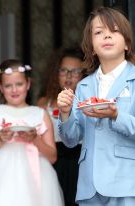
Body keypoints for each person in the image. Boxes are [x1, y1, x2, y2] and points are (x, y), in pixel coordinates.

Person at [57, 7, 135, 206]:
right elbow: (70, 140)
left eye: (114, 31)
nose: (106, 36)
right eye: (98, 32)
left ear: (127, 44)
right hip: (89, 187)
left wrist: (116, 115)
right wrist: (65, 113)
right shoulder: (84, 86)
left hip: (128, 184)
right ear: (92, 47)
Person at [0, 59, 64, 206]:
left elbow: (52, 157)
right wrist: (0, 140)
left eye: (19, 84)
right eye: (8, 86)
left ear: (28, 84)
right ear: (1, 88)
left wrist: (35, 139)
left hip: (36, 178)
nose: (14, 90)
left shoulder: (40, 114)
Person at [37, 47, 85, 206]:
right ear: (56, 73)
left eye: (75, 71)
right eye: (63, 70)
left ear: (83, 74)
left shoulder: (88, 101)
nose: (69, 76)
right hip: (52, 163)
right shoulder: (44, 102)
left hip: (80, 163)